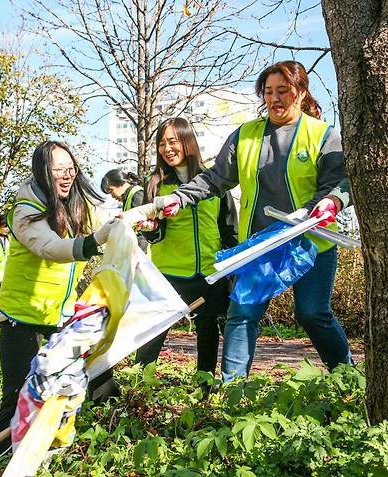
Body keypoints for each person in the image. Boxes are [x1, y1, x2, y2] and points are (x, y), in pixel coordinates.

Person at [151, 61, 352, 382]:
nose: (274, 99)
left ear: (301, 93)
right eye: (268, 92)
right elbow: (215, 179)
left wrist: (330, 202)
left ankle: (346, 375)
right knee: (242, 314)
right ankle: (233, 392)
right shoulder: (245, 136)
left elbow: (340, 182)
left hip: (312, 241)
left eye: (282, 91)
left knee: (311, 313)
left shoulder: (324, 135)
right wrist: (179, 197)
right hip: (261, 246)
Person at [0, 140, 114, 457]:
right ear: (42, 171)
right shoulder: (24, 211)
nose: (66, 175)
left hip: (59, 318)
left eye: (69, 168)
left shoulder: (77, 207)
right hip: (21, 320)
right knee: (19, 397)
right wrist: (95, 241)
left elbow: (111, 222)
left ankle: (67, 448)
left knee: (81, 381)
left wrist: (138, 219)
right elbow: (50, 248)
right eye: (57, 169)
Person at [135, 117, 237, 385]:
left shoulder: (213, 183)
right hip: (169, 274)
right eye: (161, 143)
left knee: (208, 329)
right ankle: (140, 385)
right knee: (153, 332)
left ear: (187, 142)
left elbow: (229, 229)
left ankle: (204, 385)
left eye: (172, 141)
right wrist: (148, 228)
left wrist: (232, 268)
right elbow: (155, 234)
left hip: (209, 272)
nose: (167, 149)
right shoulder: (154, 185)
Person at [100, 168, 149, 252]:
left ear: (120, 183)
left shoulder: (137, 195)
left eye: (111, 191)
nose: (112, 196)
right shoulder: (129, 197)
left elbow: (142, 232)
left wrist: (139, 257)